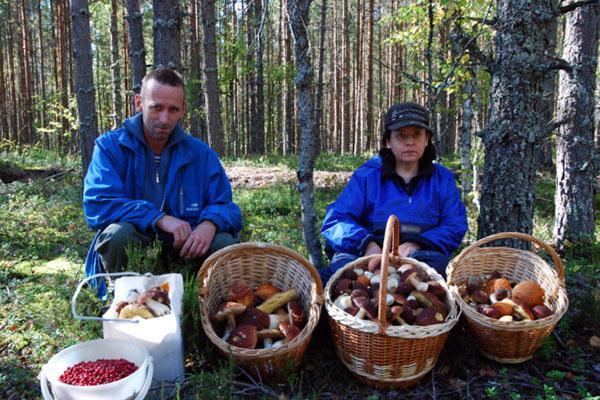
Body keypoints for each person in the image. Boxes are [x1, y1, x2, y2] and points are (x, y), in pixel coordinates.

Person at [83, 68, 242, 295]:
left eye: (173, 109)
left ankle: (207, 308)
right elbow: (98, 204)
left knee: (224, 244)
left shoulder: (201, 154)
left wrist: (210, 224)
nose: (164, 119)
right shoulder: (110, 147)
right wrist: (158, 218)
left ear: (183, 110)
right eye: (156, 107)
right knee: (117, 235)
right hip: (138, 243)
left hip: (186, 250)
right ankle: (125, 303)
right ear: (139, 102)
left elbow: (227, 206)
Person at [320, 102, 468, 283]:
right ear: (387, 142)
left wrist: (418, 243)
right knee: (340, 274)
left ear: (427, 139)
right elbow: (336, 220)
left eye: (416, 134)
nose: (410, 142)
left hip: (421, 254)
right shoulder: (367, 176)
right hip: (368, 254)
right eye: (401, 136)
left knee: (443, 271)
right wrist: (366, 244)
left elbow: (455, 224)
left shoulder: (442, 179)